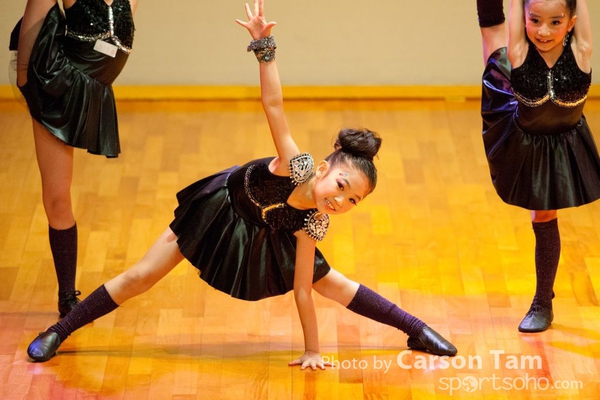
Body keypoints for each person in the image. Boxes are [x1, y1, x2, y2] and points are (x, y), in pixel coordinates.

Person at [26, 0, 457, 368]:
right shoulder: (296, 165)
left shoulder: (314, 222)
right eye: (342, 186)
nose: (341, 201)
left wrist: (312, 350)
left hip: (266, 231)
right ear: (324, 169)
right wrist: (264, 49)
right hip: (221, 210)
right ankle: (59, 331)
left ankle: (416, 329)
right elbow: (274, 105)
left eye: (353, 201)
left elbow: (303, 291)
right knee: (142, 275)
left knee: (333, 284)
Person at [476, 0, 600, 332]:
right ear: (525, 20)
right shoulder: (518, 52)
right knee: (494, 44)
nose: (544, 31)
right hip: (521, 133)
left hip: (560, 141)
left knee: (544, 214)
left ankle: (543, 301)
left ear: (571, 22)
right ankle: (544, 298)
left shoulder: (582, 52)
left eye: (555, 22)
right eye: (535, 21)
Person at [12, 0, 137, 317]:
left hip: (91, 90)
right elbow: (24, 67)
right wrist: (39, 104)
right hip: (55, 90)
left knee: (59, 196)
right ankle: (67, 295)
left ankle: (67, 295)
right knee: (57, 197)